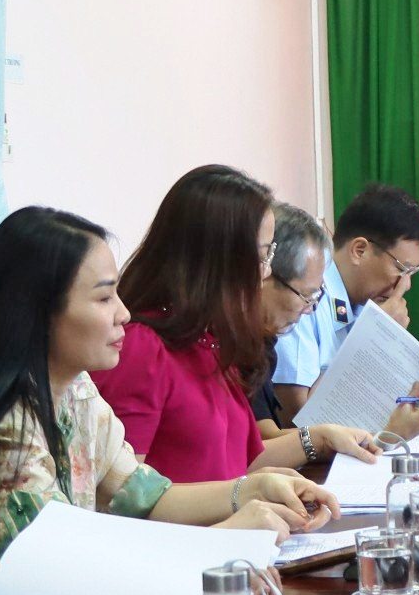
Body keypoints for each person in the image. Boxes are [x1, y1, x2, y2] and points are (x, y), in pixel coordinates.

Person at [0, 208, 338, 595]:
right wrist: (219, 544)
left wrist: (252, 489)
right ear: (39, 311)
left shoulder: (75, 388)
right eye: (104, 297)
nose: (124, 314)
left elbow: (144, 495)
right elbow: (57, 571)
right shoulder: (8, 421)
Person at [91, 166, 381, 484]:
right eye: (263, 256)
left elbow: (244, 460)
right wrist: (240, 498)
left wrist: (320, 438)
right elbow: (124, 495)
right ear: (217, 258)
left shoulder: (211, 339)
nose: (266, 273)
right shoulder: (142, 347)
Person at [263, 184, 419, 428]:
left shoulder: (363, 300)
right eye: (401, 269)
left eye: (412, 272)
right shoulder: (305, 295)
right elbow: (300, 420)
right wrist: (374, 334)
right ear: (360, 250)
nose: (405, 285)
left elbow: (395, 393)